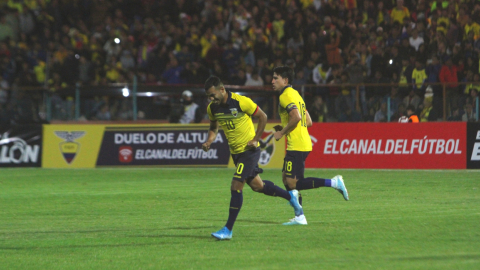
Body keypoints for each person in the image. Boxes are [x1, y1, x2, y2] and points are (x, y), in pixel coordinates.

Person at [202, 76, 302, 240]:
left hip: (249, 150)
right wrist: (209, 141)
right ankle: (290, 196)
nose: (210, 99)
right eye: (208, 96)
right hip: (236, 153)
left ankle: (228, 230)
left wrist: (256, 139)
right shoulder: (212, 108)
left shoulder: (241, 102)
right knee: (258, 186)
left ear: (222, 90)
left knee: (236, 186)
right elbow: (213, 127)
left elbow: (262, 116)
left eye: (212, 95)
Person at [271, 66, 349, 226]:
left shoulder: (285, 96)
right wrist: (285, 125)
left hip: (297, 144)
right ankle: (299, 216)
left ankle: (334, 183)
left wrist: (282, 132)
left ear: (285, 80)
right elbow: (309, 121)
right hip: (302, 142)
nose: (272, 81)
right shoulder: (297, 95)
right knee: (286, 179)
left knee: (294, 183)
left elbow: (297, 117)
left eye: (275, 78)